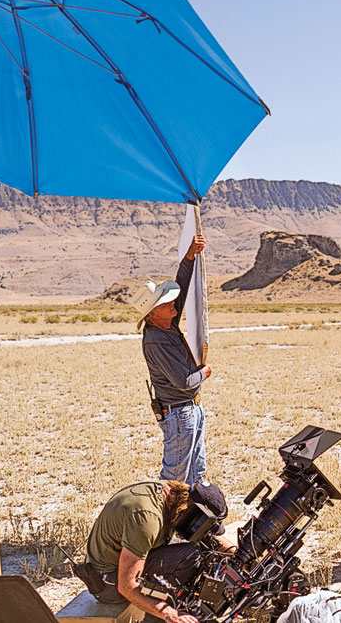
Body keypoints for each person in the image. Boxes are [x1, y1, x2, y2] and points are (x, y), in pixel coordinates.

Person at [84, 480, 231, 623]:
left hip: (114, 564)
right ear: (193, 512)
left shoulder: (173, 495)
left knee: (196, 552)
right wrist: (169, 613)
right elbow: (126, 586)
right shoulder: (147, 520)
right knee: (190, 556)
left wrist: (239, 555)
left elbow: (211, 538)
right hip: (109, 583)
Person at [131, 235, 211, 485]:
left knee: (196, 474)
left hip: (190, 409)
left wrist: (189, 256)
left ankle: (190, 521)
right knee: (173, 480)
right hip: (179, 414)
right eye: (166, 303)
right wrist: (205, 372)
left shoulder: (167, 323)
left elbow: (182, 289)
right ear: (153, 314)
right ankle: (162, 522)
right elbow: (184, 380)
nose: (173, 303)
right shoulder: (156, 339)